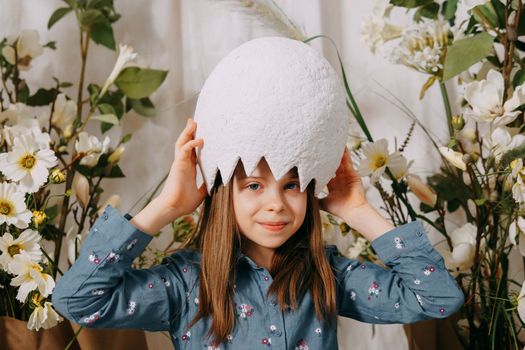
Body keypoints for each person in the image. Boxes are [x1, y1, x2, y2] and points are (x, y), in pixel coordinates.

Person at [52, 117, 465, 350]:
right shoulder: (183, 283)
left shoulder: (325, 273)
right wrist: (167, 207)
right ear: (223, 194)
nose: (276, 204)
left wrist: (359, 211)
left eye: (291, 185)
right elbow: (76, 300)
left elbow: (439, 301)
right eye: (253, 185)